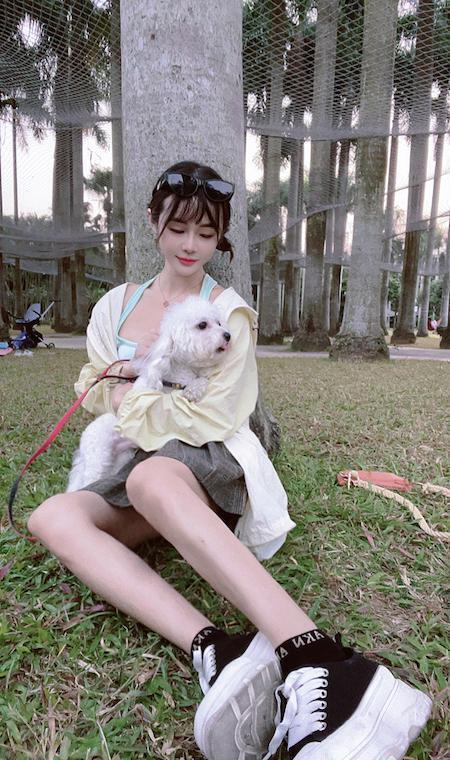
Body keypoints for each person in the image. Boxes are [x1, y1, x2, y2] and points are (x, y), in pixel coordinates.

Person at [27, 161, 432, 760]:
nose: (191, 245)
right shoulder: (115, 306)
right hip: (136, 468)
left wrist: (132, 396)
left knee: (151, 475)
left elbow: (215, 415)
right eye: (178, 228)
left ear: (219, 238)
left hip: (211, 458)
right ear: (153, 224)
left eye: (206, 232)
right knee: (51, 518)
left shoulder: (229, 310)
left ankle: (326, 662)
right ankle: (220, 650)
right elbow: (94, 385)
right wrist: (127, 396)